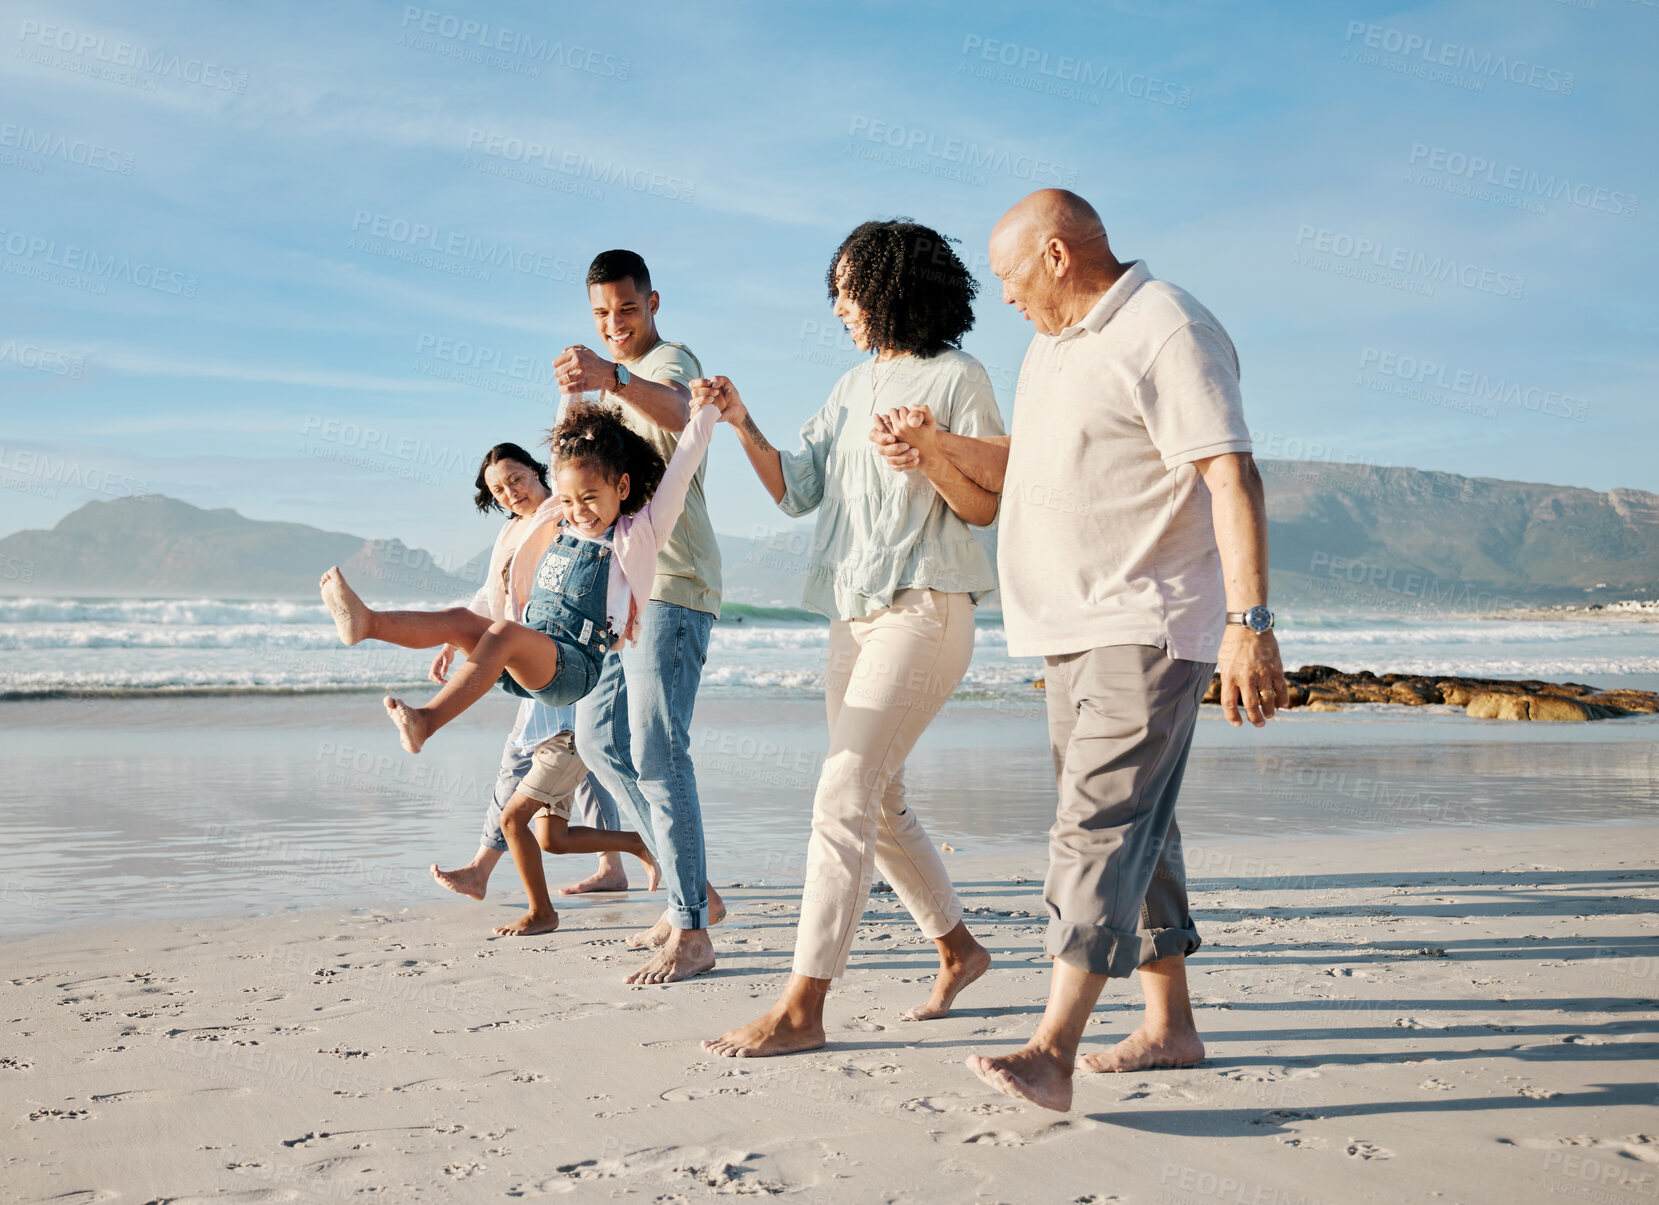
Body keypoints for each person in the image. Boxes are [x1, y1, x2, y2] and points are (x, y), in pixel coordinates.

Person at [872, 189, 1288, 1111]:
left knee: (1094, 828)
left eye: (1013, 276)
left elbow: (1231, 470)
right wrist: (935, 447)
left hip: (1144, 621)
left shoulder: (1166, 325)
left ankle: (1050, 1048)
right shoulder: (1052, 347)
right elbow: (1011, 482)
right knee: (1139, 829)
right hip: (1065, 632)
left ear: (1056, 255)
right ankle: (1169, 1025)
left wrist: (1249, 624)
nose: (1005, 297)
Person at [695, 219, 1003, 1058]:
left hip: (926, 607)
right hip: (851, 613)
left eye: (845, 288)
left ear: (887, 284)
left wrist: (929, 454)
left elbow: (984, 504)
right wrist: (740, 419)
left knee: (841, 792)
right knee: (880, 796)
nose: (838, 306)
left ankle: (802, 1005)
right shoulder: (850, 385)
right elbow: (795, 491)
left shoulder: (956, 377)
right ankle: (959, 949)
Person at [551, 250, 726, 985]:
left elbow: (688, 414)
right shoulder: (607, 377)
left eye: (625, 310)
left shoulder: (669, 359)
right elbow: (572, 472)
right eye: (601, 314)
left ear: (652, 302)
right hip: (616, 592)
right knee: (597, 739)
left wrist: (615, 374)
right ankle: (696, 894)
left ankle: (690, 927)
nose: (614, 325)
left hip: (674, 583)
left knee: (659, 751)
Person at [428, 443, 652, 927]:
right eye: (498, 489)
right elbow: (494, 593)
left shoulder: (559, 513)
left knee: (530, 760)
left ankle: (483, 869)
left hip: (559, 657)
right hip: (530, 658)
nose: (509, 493)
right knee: (584, 768)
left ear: (539, 473)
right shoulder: (512, 530)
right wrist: (455, 637)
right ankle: (614, 864)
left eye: (517, 480)